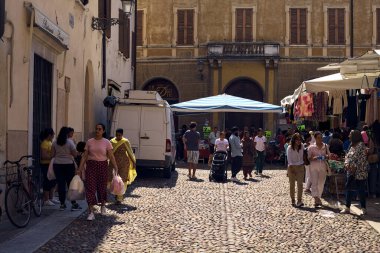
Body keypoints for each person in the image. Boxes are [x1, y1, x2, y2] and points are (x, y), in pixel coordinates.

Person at [78, 123, 119, 221]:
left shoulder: (106, 142)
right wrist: (79, 168)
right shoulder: (89, 142)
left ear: (103, 131)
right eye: (96, 129)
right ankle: (91, 212)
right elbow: (84, 156)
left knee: (102, 188)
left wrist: (115, 166)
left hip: (103, 166)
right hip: (91, 166)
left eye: (100, 129)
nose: (97, 131)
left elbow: (111, 155)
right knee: (90, 188)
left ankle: (103, 205)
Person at [51, 127, 82, 211]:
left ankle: (62, 204)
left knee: (61, 184)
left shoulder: (54, 142)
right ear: (67, 134)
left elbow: (52, 154)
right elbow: (75, 154)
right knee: (70, 184)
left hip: (57, 165)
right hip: (68, 165)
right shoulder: (70, 142)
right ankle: (74, 203)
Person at [341, 130, 369, 215]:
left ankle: (363, 208)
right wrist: (346, 163)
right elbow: (347, 156)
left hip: (359, 172)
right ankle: (347, 207)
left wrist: (349, 165)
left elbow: (355, 157)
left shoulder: (360, 145)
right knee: (349, 188)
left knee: (360, 190)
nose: (349, 136)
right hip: (351, 171)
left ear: (355, 136)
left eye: (350, 134)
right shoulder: (351, 145)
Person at [108, 128, 137, 204]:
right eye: (117, 135)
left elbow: (130, 152)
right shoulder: (112, 142)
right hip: (113, 163)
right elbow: (109, 153)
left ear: (122, 135)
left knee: (122, 180)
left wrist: (133, 162)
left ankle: (119, 198)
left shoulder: (125, 141)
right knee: (113, 179)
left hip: (124, 163)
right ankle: (115, 193)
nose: (118, 137)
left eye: (119, 135)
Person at [308, 132, 330, 207]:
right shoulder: (311, 147)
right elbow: (309, 158)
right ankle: (316, 199)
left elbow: (329, 155)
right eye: (318, 138)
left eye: (321, 138)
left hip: (323, 167)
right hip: (314, 167)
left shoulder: (326, 146)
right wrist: (314, 158)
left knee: (321, 183)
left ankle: (318, 198)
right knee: (314, 183)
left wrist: (326, 156)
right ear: (315, 138)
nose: (320, 139)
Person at [40, 128, 58, 206]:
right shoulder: (44, 143)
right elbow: (43, 156)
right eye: (53, 134)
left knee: (53, 181)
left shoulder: (49, 142)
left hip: (50, 164)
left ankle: (51, 197)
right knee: (47, 181)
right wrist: (52, 156)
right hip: (46, 164)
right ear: (49, 135)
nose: (54, 136)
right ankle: (46, 199)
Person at [286, 133, 305, 207]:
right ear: (294, 140)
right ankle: (293, 199)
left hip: (300, 166)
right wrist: (291, 168)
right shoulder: (289, 148)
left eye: (300, 139)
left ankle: (299, 200)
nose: (299, 141)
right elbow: (289, 160)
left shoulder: (302, 146)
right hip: (292, 167)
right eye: (297, 139)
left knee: (300, 184)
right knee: (292, 184)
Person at [368, 120, 380, 198]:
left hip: (374, 157)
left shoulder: (372, 136)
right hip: (377, 155)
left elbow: (371, 149)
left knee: (373, 174)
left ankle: (373, 192)